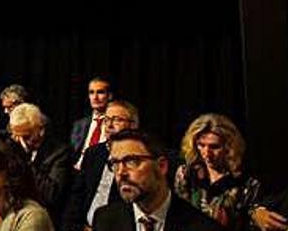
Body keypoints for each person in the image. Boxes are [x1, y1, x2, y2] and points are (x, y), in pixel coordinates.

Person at [92, 129, 222, 231]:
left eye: (131, 161)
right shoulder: (106, 219)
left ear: (161, 166)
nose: (121, 172)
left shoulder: (202, 226)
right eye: (115, 164)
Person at [174, 113, 261, 230]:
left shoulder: (245, 182)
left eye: (214, 147)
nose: (207, 153)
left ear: (228, 147)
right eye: (201, 145)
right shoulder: (187, 173)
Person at [63, 99, 139, 231]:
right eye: (106, 120)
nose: (109, 125)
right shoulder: (93, 153)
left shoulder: (138, 159)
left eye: (116, 120)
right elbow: (76, 198)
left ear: (133, 125)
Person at [8, 103, 71, 227]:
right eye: (16, 136)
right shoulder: (10, 148)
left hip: (42, 219)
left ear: (40, 130)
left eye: (26, 137)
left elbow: (51, 195)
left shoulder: (60, 152)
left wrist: (26, 160)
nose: (20, 142)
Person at [70, 77, 113, 166]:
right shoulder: (79, 124)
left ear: (110, 96)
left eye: (100, 92)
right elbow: (73, 153)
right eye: (91, 92)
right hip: (77, 170)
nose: (95, 97)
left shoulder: (114, 123)